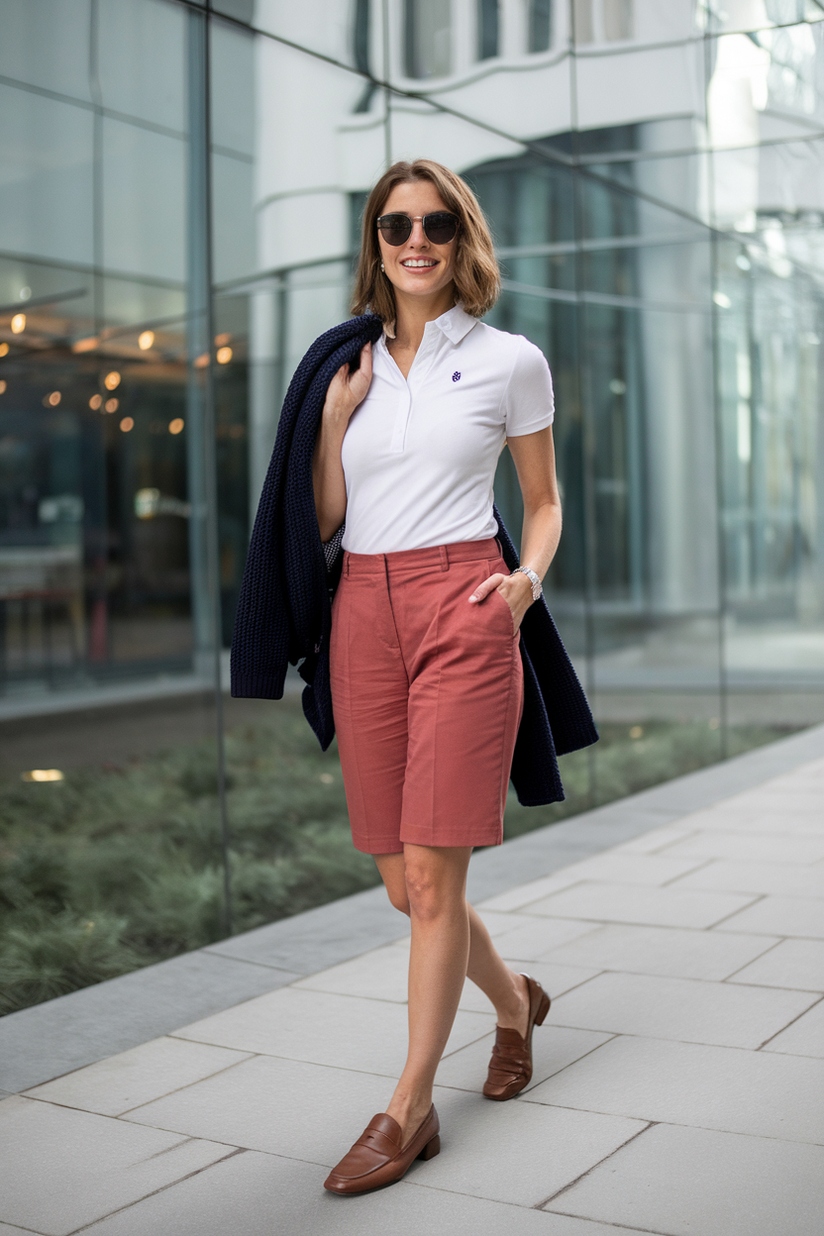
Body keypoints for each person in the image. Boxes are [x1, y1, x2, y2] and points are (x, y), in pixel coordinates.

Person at [308, 159, 565, 1194]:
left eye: (434, 225)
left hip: (464, 604)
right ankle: (513, 1005)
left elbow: (541, 502)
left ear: (462, 240)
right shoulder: (344, 363)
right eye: (393, 225)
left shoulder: (509, 360)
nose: (414, 242)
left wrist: (524, 582)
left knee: (429, 880)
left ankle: (407, 1109)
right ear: (373, 243)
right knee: (396, 886)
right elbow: (321, 519)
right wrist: (333, 420)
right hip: (360, 614)